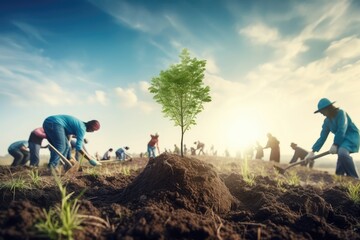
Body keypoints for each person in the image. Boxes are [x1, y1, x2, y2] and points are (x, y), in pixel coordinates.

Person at [304, 98, 359, 178]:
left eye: (322, 111)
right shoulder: (327, 121)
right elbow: (322, 137)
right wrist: (312, 151)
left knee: (342, 153)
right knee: (340, 161)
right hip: (341, 140)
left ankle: (355, 178)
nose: (322, 114)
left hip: (351, 136)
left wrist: (335, 144)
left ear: (329, 108)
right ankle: (340, 178)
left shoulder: (341, 113)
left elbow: (342, 129)